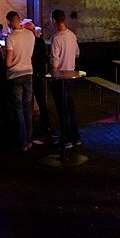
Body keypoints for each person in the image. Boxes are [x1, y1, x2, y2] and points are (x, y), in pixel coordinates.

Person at [49, 9, 81, 148]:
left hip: (60, 77)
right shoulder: (72, 35)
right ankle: (76, 137)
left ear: (54, 21)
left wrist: (52, 74)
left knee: (62, 109)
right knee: (71, 107)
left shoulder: (56, 38)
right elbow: (77, 54)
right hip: (71, 75)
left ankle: (65, 139)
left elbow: (54, 62)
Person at [4, 10, 35, 150]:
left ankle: (23, 142)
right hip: (28, 73)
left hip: (15, 76)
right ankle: (29, 138)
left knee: (18, 110)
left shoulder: (10, 38)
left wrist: (3, 53)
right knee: (28, 107)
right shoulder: (30, 35)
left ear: (10, 22)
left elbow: (8, 63)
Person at [25, 19, 55, 145]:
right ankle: (46, 126)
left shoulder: (28, 42)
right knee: (41, 101)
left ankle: (30, 129)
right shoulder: (39, 42)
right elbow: (43, 58)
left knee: (28, 101)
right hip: (37, 74)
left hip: (29, 74)